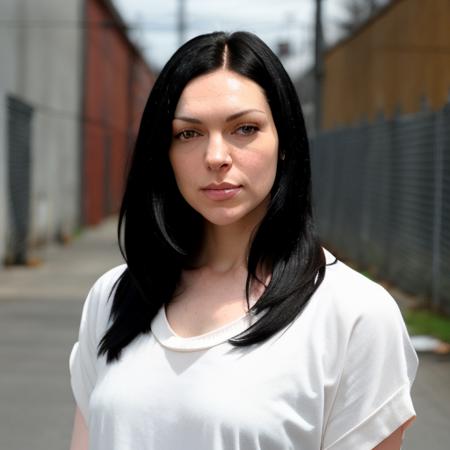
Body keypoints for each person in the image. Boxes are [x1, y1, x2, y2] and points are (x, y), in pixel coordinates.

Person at [69, 31, 418, 450]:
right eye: (188, 134)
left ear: (285, 141)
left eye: (244, 128)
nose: (216, 156)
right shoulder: (114, 296)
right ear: (163, 153)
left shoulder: (353, 314)